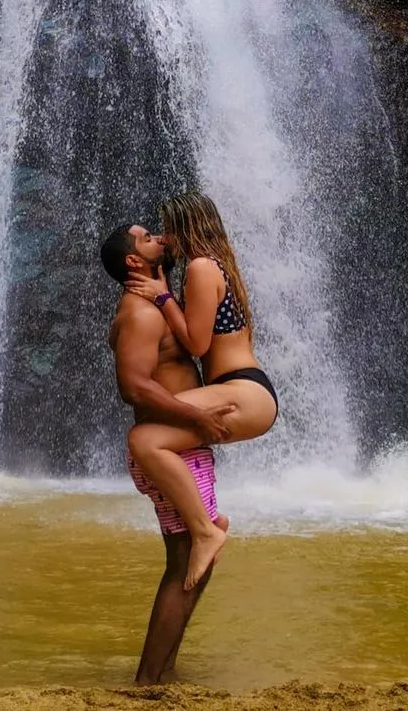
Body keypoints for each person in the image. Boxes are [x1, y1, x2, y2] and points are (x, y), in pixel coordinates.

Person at [124, 191, 279, 589]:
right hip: (246, 390)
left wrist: (161, 298)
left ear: (184, 227)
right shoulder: (220, 263)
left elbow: (197, 344)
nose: (164, 239)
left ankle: (206, 531)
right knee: (152, 438)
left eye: (168, 230)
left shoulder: (201, 267)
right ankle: (211, 520)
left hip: (241, 390)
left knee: (144, 439)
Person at [102, 223, 236, 683]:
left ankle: (163, 672)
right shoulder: (140, 312)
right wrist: (196, 418)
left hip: (177, 449)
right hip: (170, 449)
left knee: (193, 557)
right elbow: (133, 386)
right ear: (134, 263)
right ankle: (148, 681)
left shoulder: (155, 304)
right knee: (185, 560)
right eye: (147, 238)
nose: (160, 238)